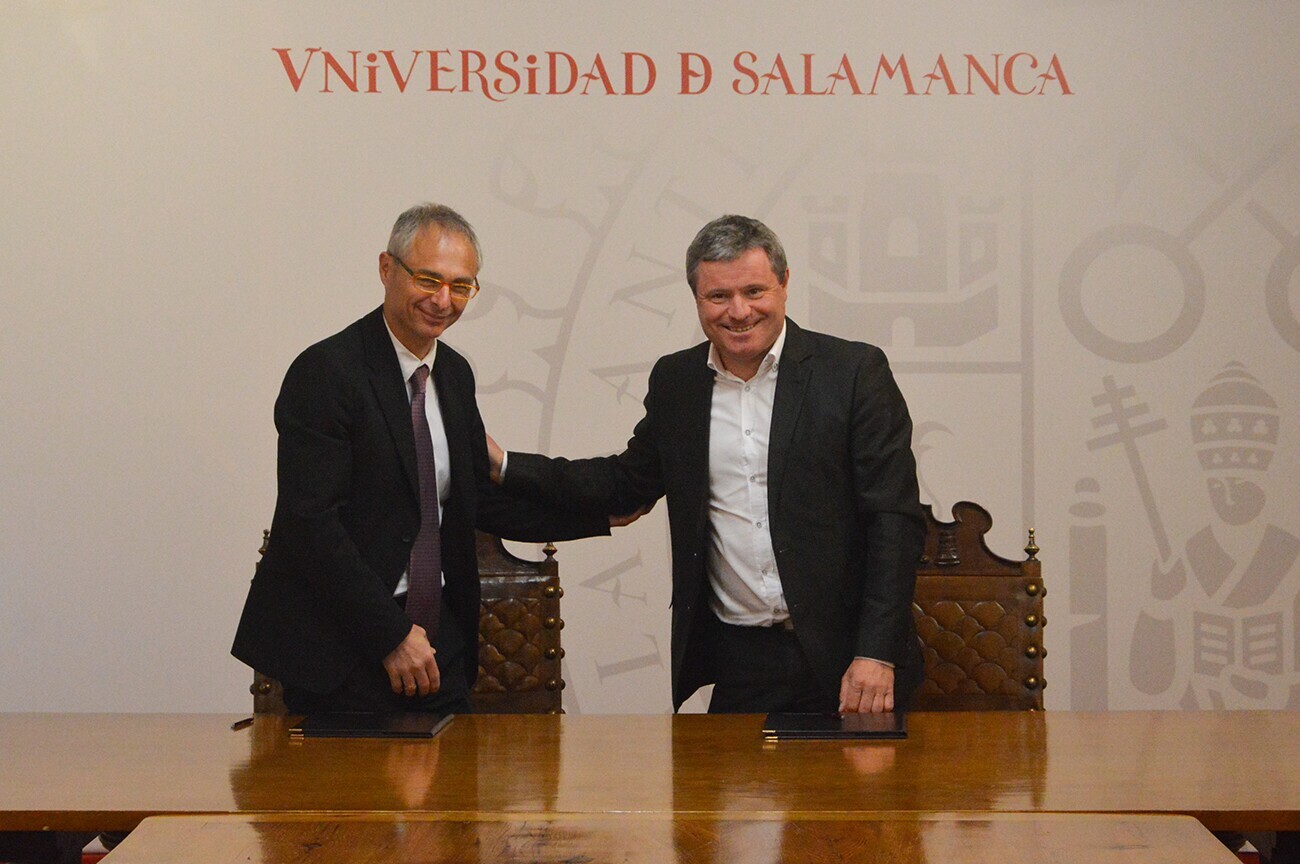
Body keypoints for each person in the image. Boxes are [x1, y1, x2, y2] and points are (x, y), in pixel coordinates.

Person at [491, 214, 925, 714]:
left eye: (754, 291)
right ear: (697, 298)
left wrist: (876, 652)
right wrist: (506, 465)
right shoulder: (678, 382)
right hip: (743, 661)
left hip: (853, 659)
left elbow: (894, 521)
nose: (738, 312)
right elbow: (625, 484)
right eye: (718, 296)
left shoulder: (853, 373)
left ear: (784, 283)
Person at [232, 203, 608, 715]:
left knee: (453, 768)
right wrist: (390, 635)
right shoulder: (326, 372)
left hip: (436, 640)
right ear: (387, 268)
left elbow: (475, 500)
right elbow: (311, 524)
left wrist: (597, 513)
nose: (443, 300)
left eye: (461, 286)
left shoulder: (453, 374)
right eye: (428, 279)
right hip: (343, 649)